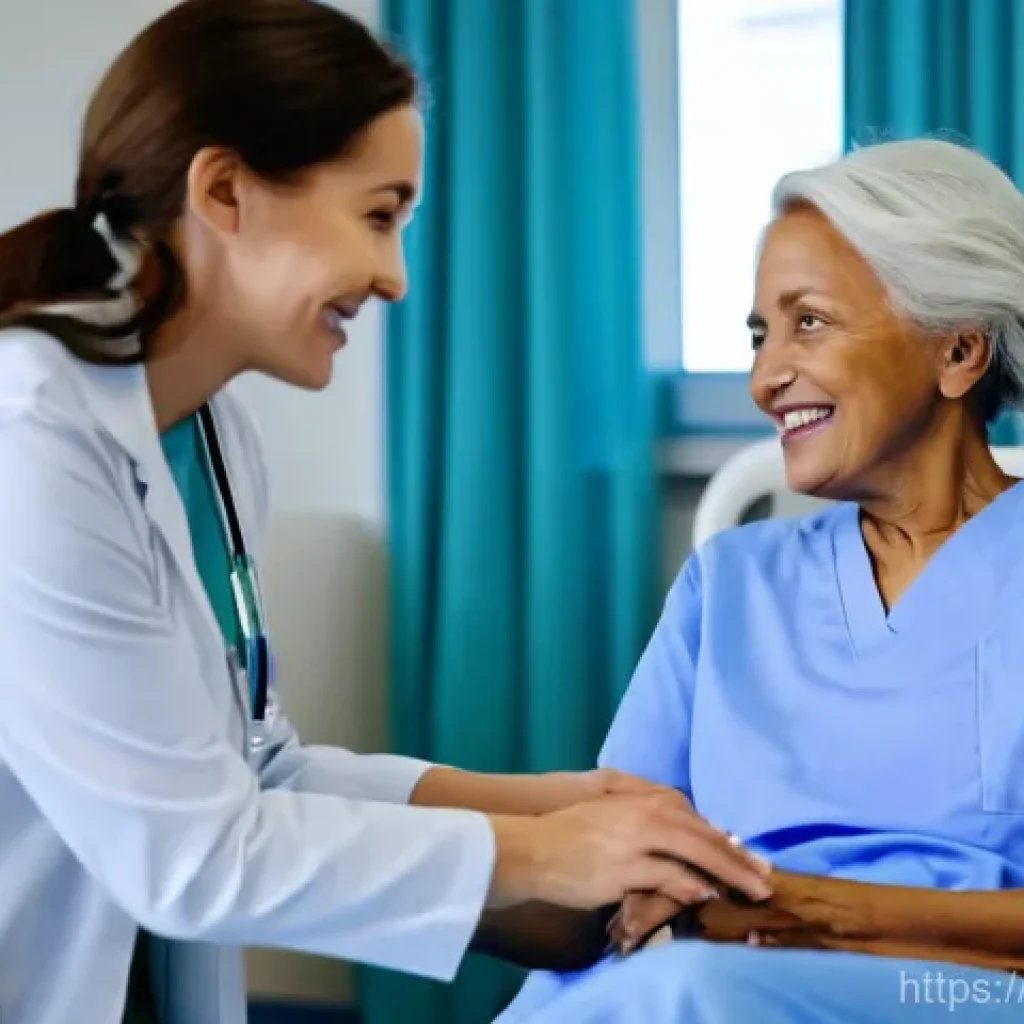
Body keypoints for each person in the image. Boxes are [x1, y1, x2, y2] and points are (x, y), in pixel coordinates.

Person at [0, 3, 774, 1023]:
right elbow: (187, 855)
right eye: (378, 215)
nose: (397, 277)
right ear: (224, 190)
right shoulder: (31, 438)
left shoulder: (213, 439)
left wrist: (544, 801)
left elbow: (253, 771)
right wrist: (539, 852)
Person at [494, 137, 1024, 1022]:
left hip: (963, 994)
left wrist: (805, 912)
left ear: (959, 351)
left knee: (679, 993)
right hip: (708, 973)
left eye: (808, 321)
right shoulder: (729, 584)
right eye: (758, 335)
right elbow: (618, 854)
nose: (765, 377)